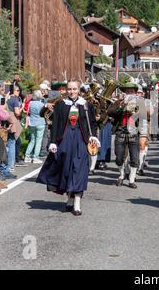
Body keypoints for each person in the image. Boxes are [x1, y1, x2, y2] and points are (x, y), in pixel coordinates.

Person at [36, 81, 99, 216]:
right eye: (69, 89)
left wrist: (93, 137)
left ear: (79, 90)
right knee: (66, 169)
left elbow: (92, 123)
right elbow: (55, 124)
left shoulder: (86, 105)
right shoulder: (61, 104)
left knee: (80, 169)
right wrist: (53, 142)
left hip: (81, 140)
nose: (72, 92)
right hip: (64, 139)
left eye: (74, 89)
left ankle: (77, 203)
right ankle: (70, 198)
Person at [107, 82, 140, 188]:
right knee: (119, 156)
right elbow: (110, 112)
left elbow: (148, 116)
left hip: (134, 131)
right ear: (125, 93)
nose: (129, 93)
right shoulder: (119, 102)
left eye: (132, 91)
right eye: (127, 91)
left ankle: (131, 179)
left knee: (134, 157)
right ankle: (122, 175)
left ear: (135, 93)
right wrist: (121, 106)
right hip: (120, 130)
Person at [24, 90, 46, 164]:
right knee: (38, 141)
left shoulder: (30, 103)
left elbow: (28, 112)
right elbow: (44, 114)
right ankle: (35, 157)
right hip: (40, 123)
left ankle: (27, 156)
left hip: (32, 123)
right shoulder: (41, 104)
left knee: (32, 140)